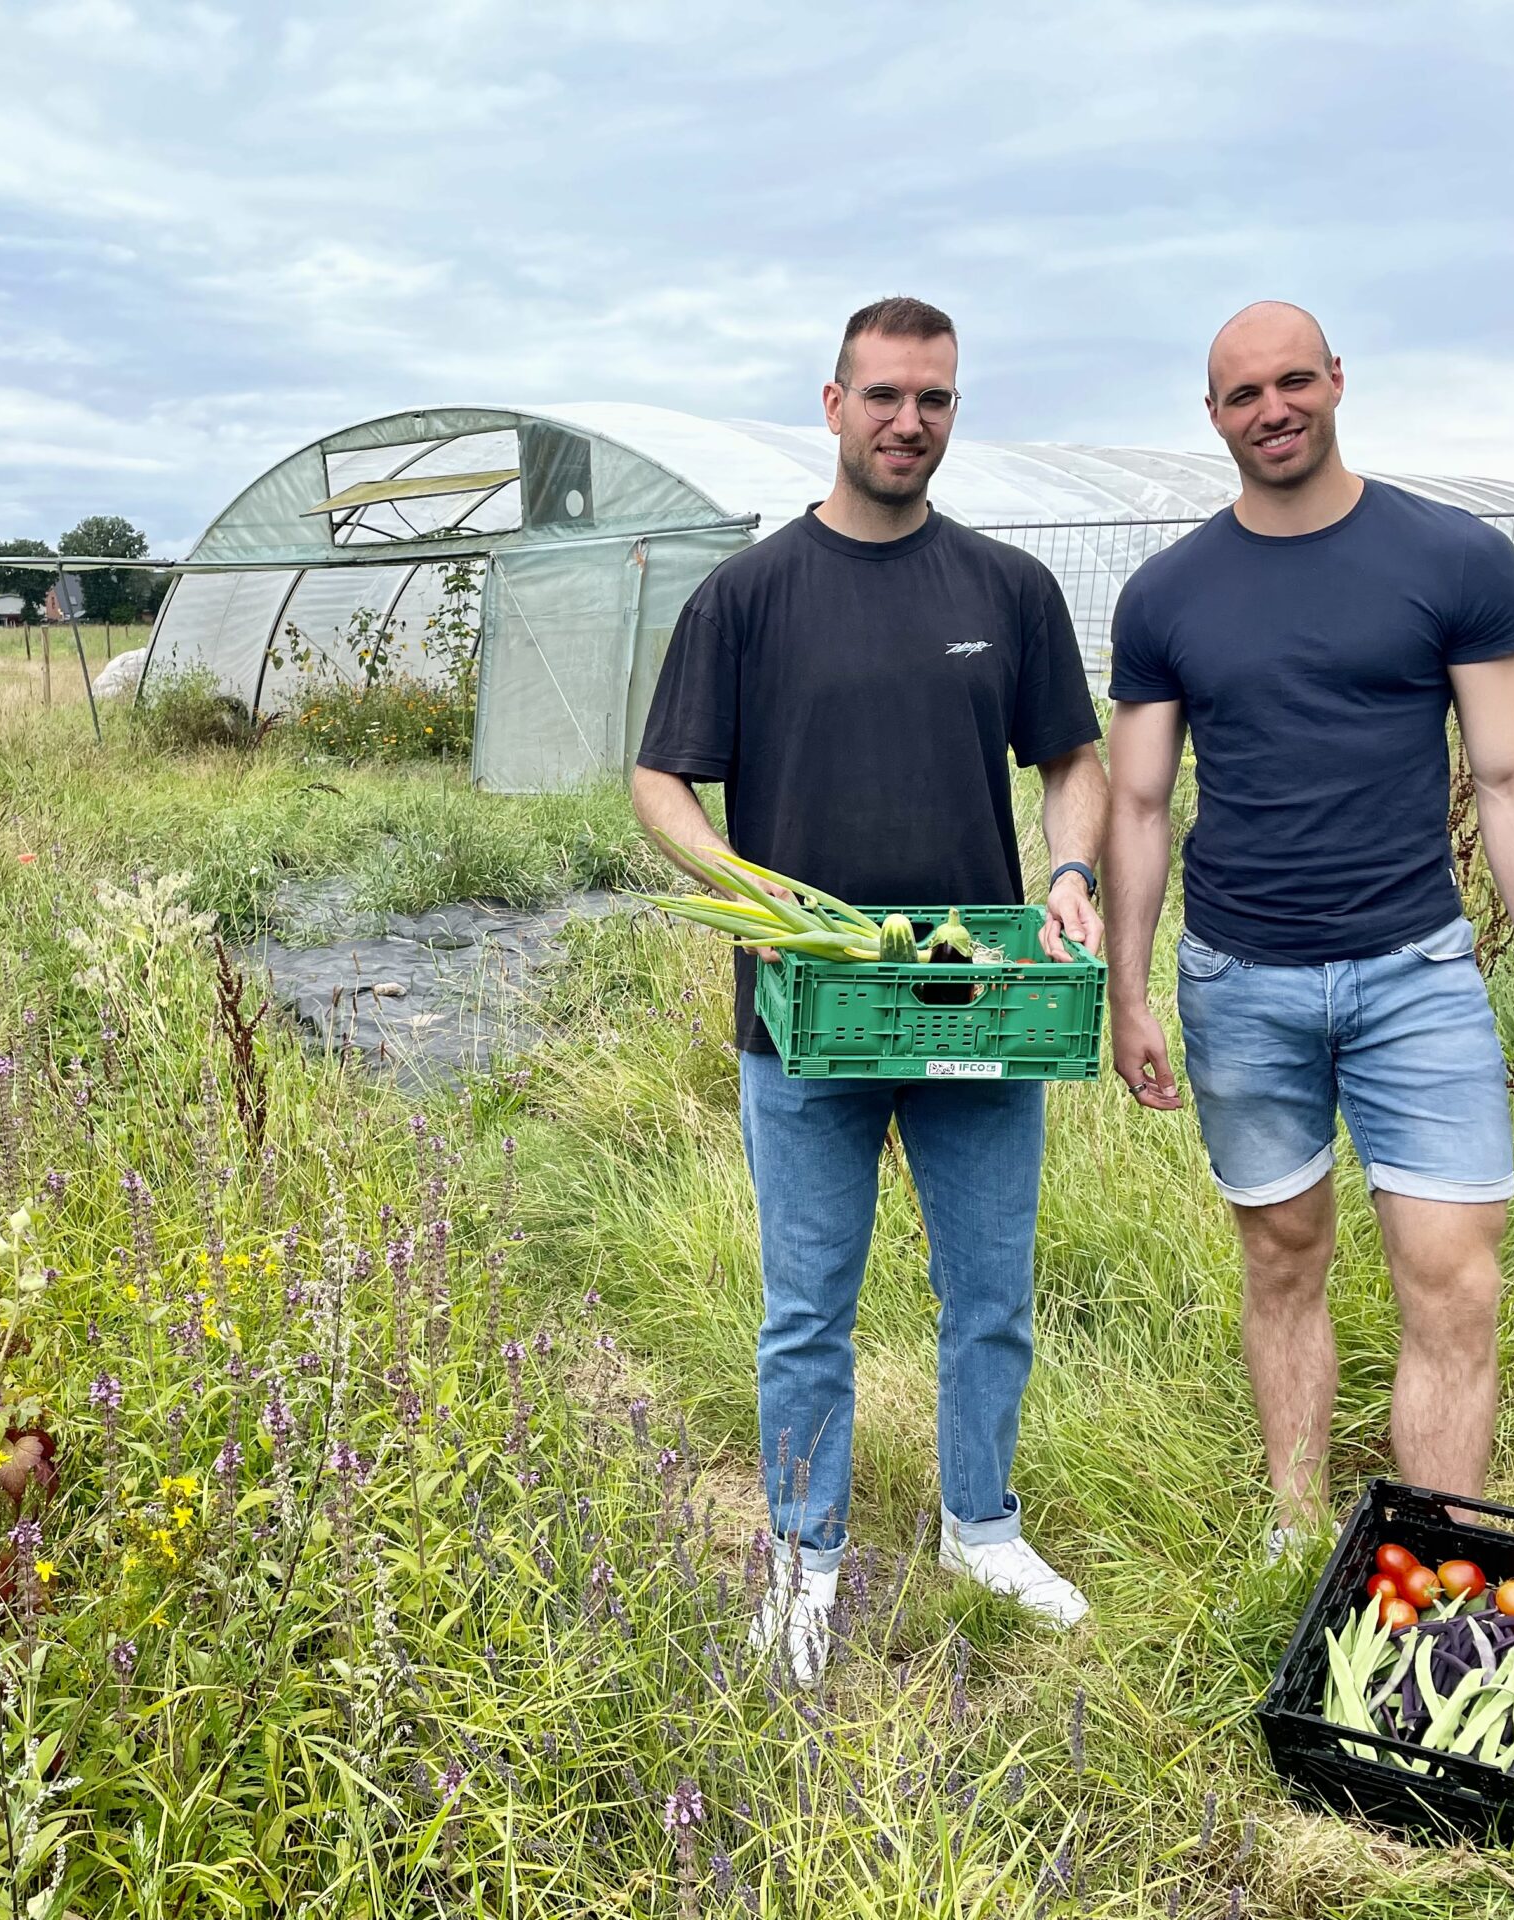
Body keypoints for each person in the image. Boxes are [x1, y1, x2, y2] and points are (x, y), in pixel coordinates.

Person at [632, 295, 1109, 1679]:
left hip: (978, 1011)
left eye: (937, 401)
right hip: (807, 1017)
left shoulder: (1006, 590)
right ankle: (802, 1555)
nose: (911, 422)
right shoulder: (751, 594)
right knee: (807, 1307)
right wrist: (746, 889)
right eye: (887, 396)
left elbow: (1071, 763)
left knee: (991, 1294)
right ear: (832, 405)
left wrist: (1069, 874)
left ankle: (983, 1528)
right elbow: (662, 779)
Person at [1103, 301, 1514, 1546]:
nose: (1271, 410)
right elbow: (1142, 802)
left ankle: (1426, 1555)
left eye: (1291, 381)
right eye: (1240, 395)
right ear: (1210, 417)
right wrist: (1129, 988)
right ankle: (1294, 1527)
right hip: (1239, 979)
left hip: (1413, 975)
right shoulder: (1166, 594)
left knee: (1452, 1279)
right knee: (1281, 1260)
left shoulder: (1451, 559)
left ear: (1335, 380)